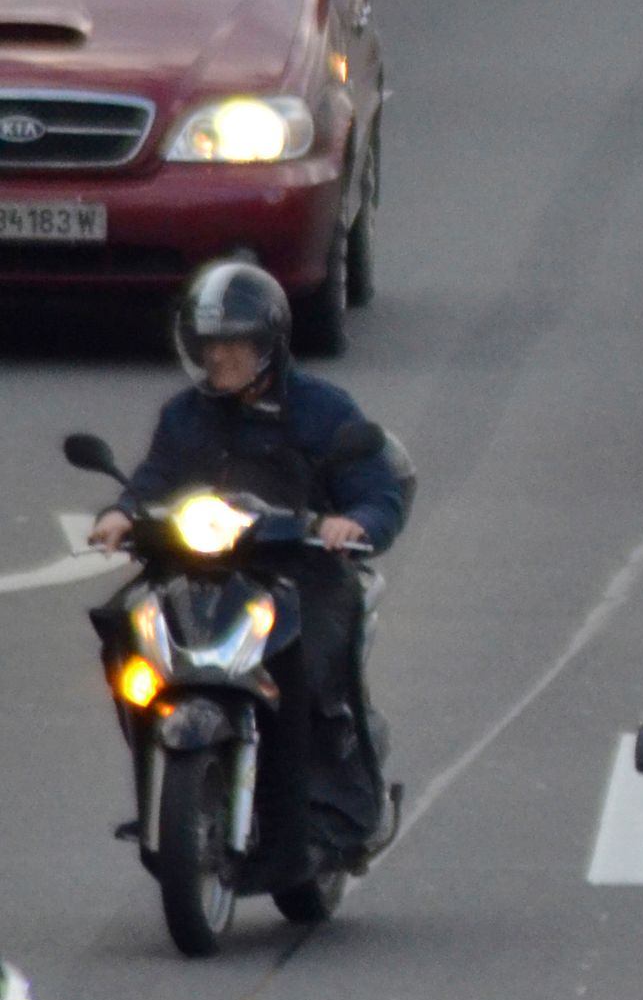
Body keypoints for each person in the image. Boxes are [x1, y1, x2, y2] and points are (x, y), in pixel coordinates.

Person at [85, 262, 412, 879]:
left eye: (235, 343)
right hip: (204, 566)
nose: (220, 358)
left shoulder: (321, 408)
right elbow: (154, 480)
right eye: (210, 344)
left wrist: (354, 522)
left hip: (302, 571)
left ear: (269, 345)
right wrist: (122, 513)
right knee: (124, 628)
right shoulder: (185, 415)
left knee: (307, 664)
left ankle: (333, 811)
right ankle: (166, 776)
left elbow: (375, 488)